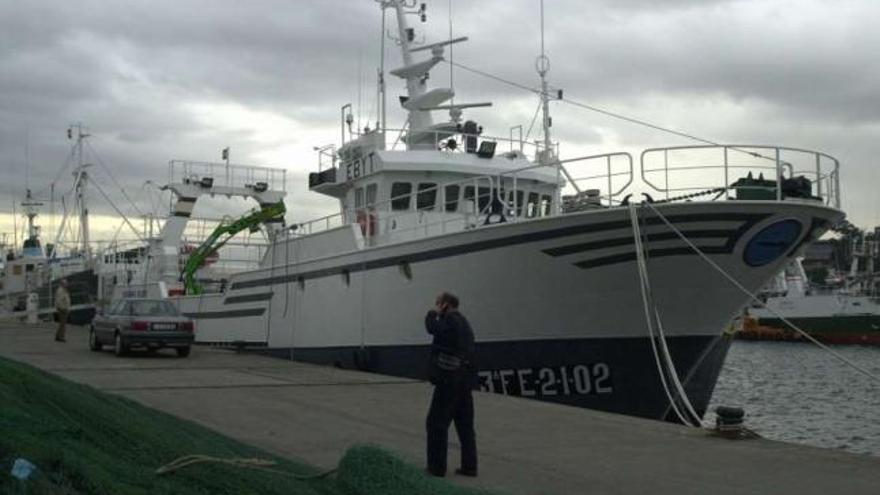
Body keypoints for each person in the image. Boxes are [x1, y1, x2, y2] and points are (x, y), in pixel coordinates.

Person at [424, 291, 478, 478]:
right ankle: (470, 466)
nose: (437, 306)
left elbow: (433, 329)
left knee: (436, 423)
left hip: (449, 380)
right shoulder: (465, 323)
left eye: (439, 303)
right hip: (464, 381)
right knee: (465, 426)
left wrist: (432, 314)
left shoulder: (450, 321)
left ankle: (436, 467)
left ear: (446, 304)